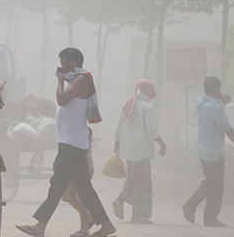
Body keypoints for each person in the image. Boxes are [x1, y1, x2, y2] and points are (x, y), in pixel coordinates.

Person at [17, 48, 115, 237]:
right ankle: (106, 225)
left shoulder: (81, 79)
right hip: (71, 142)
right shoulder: (78, 80)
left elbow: (61, 100)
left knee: (57, 185)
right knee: (83, 187)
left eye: (62, 63)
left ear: (72, 63)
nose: (60, 67)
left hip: (72, 144)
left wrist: (60, 80)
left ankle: (40, 226)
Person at [182, 76, 234, 228]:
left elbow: (212, 101)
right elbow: (227, 129)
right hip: (214, 152)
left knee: (211, 182)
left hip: (203, 149)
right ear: (216, 88)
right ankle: (196, 209)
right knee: (215, 185)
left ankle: (207, 216)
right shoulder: (216, 108)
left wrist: (220, 98)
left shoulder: (200, 102)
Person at [112, 79, 167, 224]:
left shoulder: (127, 105)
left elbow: (118, 127)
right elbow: (151, 129)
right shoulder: (147, 107)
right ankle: (138, 214)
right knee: (142, 184)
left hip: (128, 151)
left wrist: (116, 144)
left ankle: (122, 199)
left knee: (132, 179)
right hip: (142, 151)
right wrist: (162, 143)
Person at [62, 128, 95, 237]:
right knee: (66, 195)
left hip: (83, 167)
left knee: (81, 198)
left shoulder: (85, 131)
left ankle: (84, 229)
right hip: (72, 167)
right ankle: (89, 218)